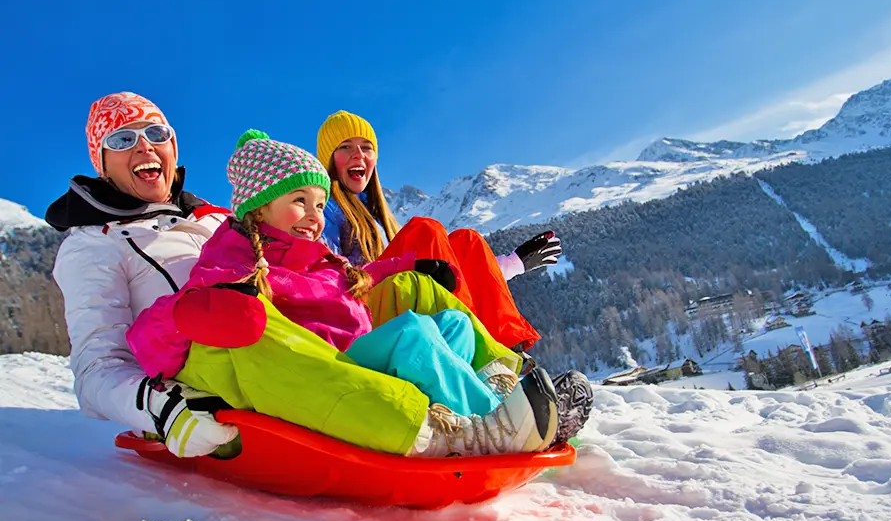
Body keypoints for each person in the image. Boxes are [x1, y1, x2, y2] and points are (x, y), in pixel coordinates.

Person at [126, 130, 580, 458]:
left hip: (359, 349)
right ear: (259, 206)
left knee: (454, 323)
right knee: (413, 335)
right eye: (299, 201)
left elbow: (360, 276)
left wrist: (410, 265)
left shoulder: (312, 254)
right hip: (330, 367)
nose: (314, 215)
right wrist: (206, 310)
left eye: (320, 205)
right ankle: (495, 422)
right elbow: (169, 319)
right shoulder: (234, 254)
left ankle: (501, 381)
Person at [46, 91, 241, 458]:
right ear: (103, 165)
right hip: (212, 393)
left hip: (286, 349)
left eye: (156, 134)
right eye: (122, 140)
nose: (144, 148)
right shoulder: (95, 244)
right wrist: (164, 407)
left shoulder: (218, 220)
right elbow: (97, 369)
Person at [316, 110, 563, 354]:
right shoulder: (324, 209)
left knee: (467, 240)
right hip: (360, 313)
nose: (358, 154)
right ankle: (474, 347)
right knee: (424, 230)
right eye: (346, 147)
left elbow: (448, 274)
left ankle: (513, 353)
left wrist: (512, 264)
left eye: (366, 147)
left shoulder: (378, 216)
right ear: (330, 159)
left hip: (395, 297)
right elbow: (327, 276)